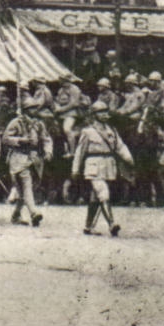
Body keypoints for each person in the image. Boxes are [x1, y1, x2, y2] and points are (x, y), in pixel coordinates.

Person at [72, 100, 132, 236]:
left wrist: (129, 159)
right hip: (93, 165)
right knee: (103, 193)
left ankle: (88, 226)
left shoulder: (112, 131)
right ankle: (112, 224)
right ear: (94, 115)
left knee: (96, 197)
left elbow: (120, 147)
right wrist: (75, 169)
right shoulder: (88, 132)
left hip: (108, 166)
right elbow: (79, 151)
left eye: (105, 111)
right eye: (100, 112)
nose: (104, 114)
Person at [3, 103, 52, 226]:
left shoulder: (38, 124)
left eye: (35, 108)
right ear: (25, 110)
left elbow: (46, 139)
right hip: (19, 156)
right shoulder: (16, 122)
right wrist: (19, 140)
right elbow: (5, 138)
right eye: (31, 108)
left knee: (28, 188)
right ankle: (33, 213)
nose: (34, 110)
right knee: (26, 184)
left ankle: (16, 214)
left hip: (35, 158)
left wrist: (48, 151)